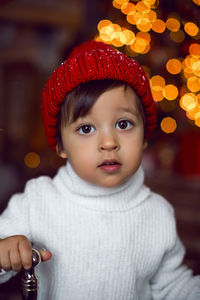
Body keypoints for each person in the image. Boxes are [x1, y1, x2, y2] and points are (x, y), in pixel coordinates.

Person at [0, 40, 199, 300]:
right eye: (86, 128)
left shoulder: (157, 214)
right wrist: (6, 252)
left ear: (145, 137)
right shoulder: (37, 201)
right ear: (61, 145)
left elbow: (172, 286)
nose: (109, 142)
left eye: (124, 124)